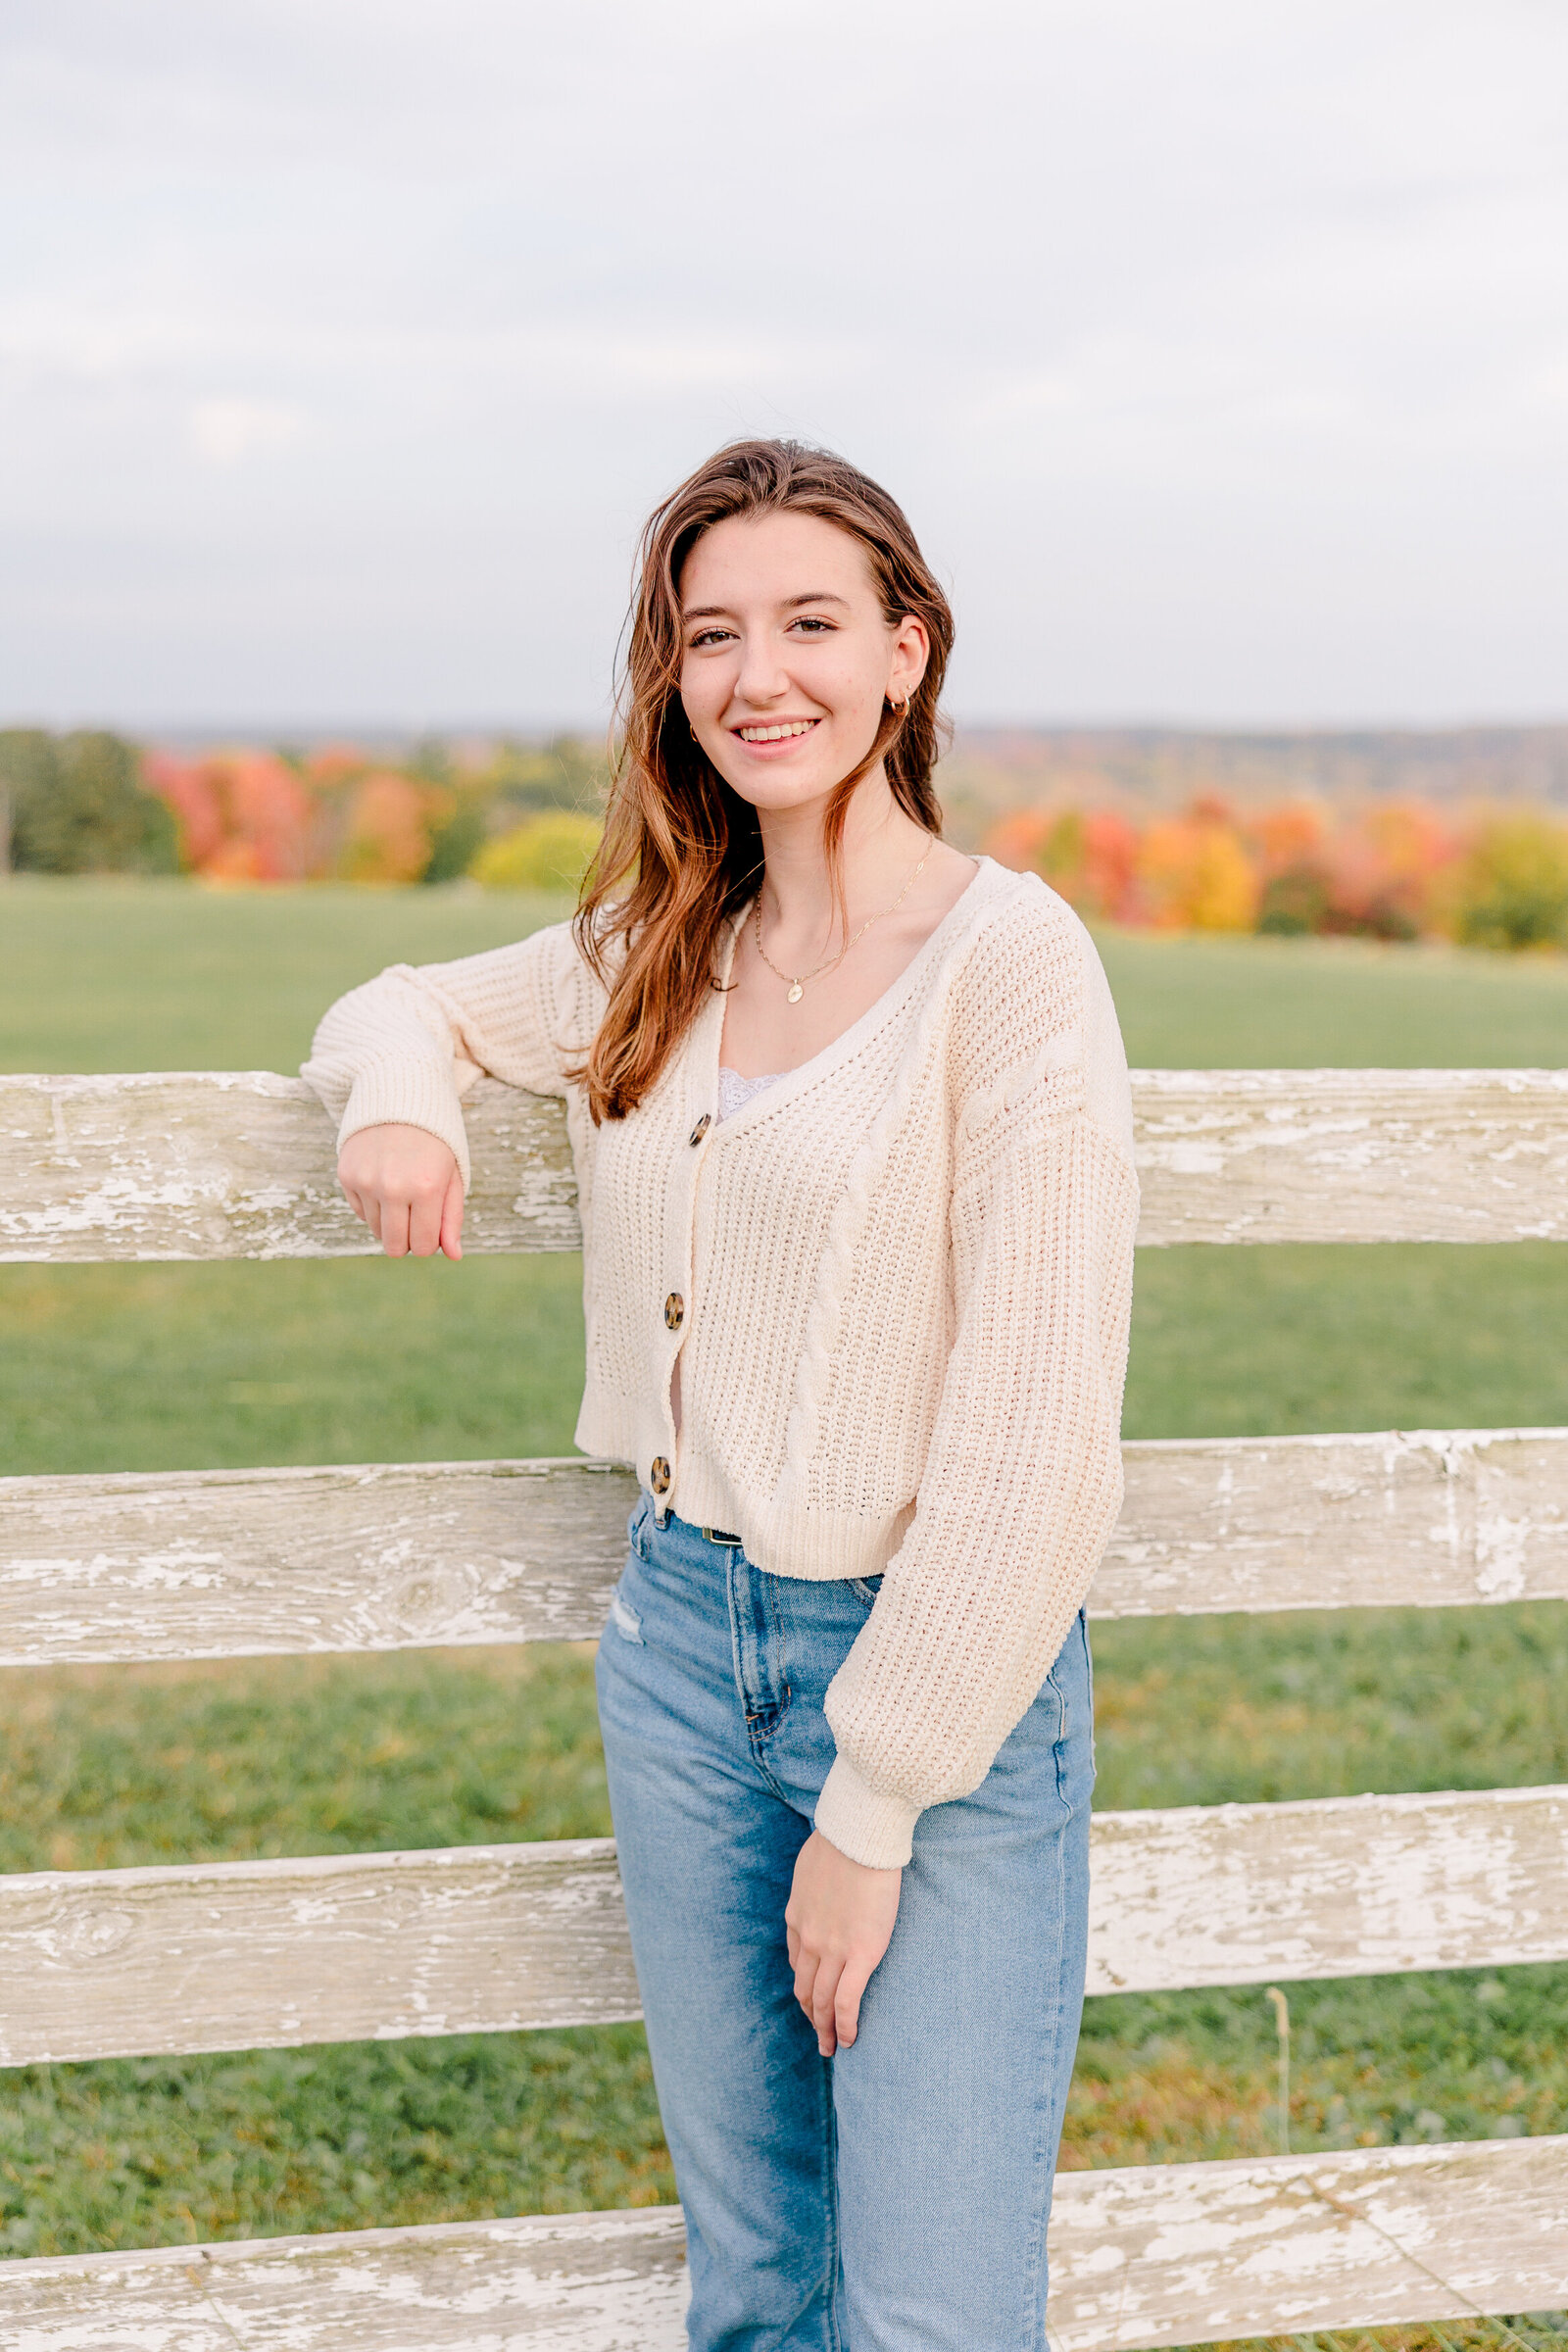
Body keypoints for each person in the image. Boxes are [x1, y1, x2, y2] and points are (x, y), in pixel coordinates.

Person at [302, 437, 1139, 2351]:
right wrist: (410, 1099)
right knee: (751, 2286)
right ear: (668, 680)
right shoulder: (656, 944)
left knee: (925, 2312)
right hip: (681, 1647)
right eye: (708, 636)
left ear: (906, 654)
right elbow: (396, 1004)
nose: (758, 675)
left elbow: (1029, 1448)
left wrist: (875, 1806)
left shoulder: (1007, 967)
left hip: (934, 1690)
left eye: (810, 624)